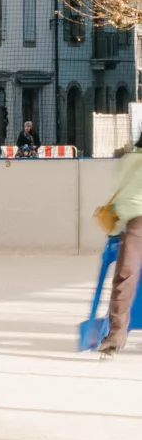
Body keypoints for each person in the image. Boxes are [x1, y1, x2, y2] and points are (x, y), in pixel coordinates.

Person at [98, 130, 142, 358]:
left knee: (125, 277)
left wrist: (114, 231)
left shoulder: (128, 161)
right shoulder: (131, 161)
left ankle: (115, 335)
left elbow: (120, 197)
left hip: (135, 223)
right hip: (136, 222)